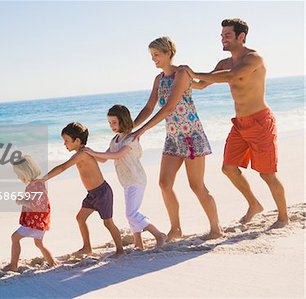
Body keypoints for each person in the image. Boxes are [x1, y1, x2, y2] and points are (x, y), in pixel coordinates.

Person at [181, 18, 288, 229]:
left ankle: (283, 217)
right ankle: (254, 204)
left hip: (260, 121)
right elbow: (201, 85)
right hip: (240, 124)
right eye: (222, 35)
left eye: (227, 35)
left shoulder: (254, 59)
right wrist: (179, 75)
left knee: (267, 174)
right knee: (229, 168)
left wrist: (193, 72)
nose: (223, 39)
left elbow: (232, 76)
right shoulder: (224, 63)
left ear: (241, 37)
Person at [132, 36, 223, 241]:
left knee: (196, 185)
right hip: (173, 138)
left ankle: (216, 228)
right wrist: (131, 128)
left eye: (156, 55)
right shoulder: (159, 79)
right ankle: (176, 229)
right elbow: (149, 107)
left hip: (191, 136)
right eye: (151, 55)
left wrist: (142, 131)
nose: (153, 59)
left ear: (168, 53)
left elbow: (169, 107)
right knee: (164, 184)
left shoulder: (181, 73)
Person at [84, 104, 166, 249]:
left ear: (123, 120)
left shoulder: (131, 139)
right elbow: (104, 159)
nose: (111, 126)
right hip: (126, 181)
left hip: (136, 179)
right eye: (109, 123)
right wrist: (87, 154)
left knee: (131, 214)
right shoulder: (114, 140)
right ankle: (138, 243)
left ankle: (158, 235)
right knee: (131, 212)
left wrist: (93, 153)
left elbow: (116, 155)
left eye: (114, 122)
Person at [36, 122, 124, 257]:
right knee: (80, 218)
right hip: (92, 194)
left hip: (102, 193)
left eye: (66, 141)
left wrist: (43, 179)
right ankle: (87, 247)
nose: (64, 144)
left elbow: (63, 167)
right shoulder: (83, 151)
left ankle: (120, 250)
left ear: (77, 140)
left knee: (108, 223)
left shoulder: (82, 154)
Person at [2, 155, 57, 272]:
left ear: (25, 172)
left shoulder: (33, 186)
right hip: (39, 221)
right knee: (39, 243)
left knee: (15, 238)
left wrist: (22, 201)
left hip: (34, 222)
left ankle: (13, 265)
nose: (18, 177)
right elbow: (37, 201)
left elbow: (36, 206)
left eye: (19, 175)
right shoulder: (38, 184)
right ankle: (52, 263)